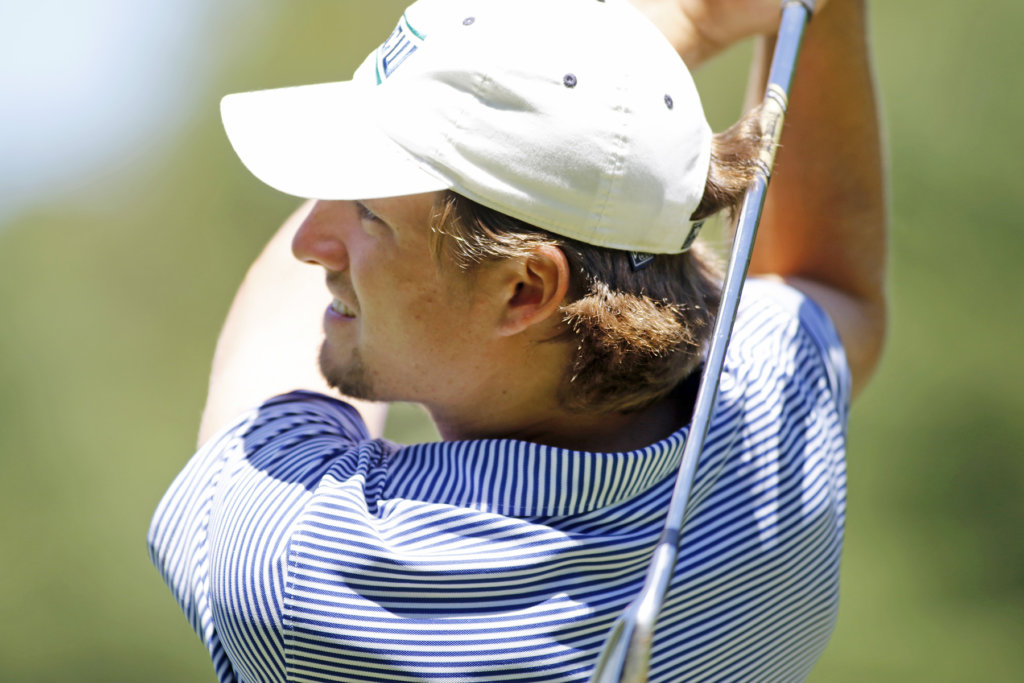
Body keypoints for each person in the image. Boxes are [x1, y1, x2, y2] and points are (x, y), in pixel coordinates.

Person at [149, 0, 886, 680]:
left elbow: (269, 363)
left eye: (368, 211)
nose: (310, 242)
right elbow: (827, 282)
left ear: (525, 289)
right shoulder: (776, 417)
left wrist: (687, 22)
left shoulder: (302, 568)